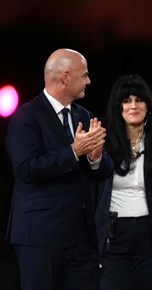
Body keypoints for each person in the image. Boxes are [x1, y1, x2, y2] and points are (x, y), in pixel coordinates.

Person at [5, 48, 114, 290]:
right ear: (65, 78)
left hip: (82, 239)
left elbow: (103, 170)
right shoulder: (26, 117)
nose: (89, 81)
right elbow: (27, 169)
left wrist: (96, 158)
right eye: (84, 75)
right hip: (41, 237)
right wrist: (74, 152)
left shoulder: (83, 116)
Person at [94, 74, 152, 290]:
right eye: (126, 101)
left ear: (148, 106)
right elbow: (90, 197)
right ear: (118, 108)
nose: (133, 106)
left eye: (139, 100)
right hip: (113, 240)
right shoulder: (103, 145)